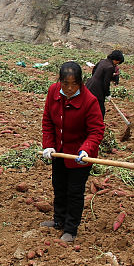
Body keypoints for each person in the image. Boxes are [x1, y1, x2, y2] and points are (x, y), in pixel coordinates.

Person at [41, 62, 105, 242]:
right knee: (59, 186)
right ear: (59, 81)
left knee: (75, 192)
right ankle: (58, 220)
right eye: (65, 83)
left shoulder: (89, 101)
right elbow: (47, 121)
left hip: (79, 156)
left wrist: (86, 150)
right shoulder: (53, 91)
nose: (69, 88)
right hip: (59, 152)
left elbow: (96, 131)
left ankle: (71, 229)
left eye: (74, 84)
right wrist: (49, 145)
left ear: (81, 83)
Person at [85, 50, 123, 117]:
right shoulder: (110, 67)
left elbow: (94, 70)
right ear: (116, 59)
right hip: (97, 90)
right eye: (118, 62)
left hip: (89, 84)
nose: (117, 64)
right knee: (100, 110)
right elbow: (106, 83)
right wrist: (107, 94)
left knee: (88, 105)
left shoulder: (103, 61)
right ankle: (99, 125)